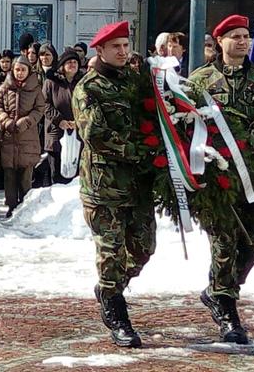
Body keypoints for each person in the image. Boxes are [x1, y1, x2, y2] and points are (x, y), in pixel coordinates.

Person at [187, 15, 254, 345]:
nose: (243, 42)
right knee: (224, 240)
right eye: (235, 37)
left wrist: (244, 143)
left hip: (253, 173)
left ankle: (218, 289)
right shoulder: (200, 80)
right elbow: (188, 122)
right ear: (220, 41)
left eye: (245, 36)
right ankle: (226, 307)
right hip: (218, 176)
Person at [72, 20, 154, 349]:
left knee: (144, 248)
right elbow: (95, 134)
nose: (122, 51)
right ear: (101, 50)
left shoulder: (135, 82)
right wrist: (139, 151)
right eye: (115, 47)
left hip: (139, 184)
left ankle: (109, 286)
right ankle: (116, 311)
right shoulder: (89, 88)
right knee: (111, 251)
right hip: (104, 185)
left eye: (125, 45)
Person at [0, 55, 45, 217]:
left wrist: (27, 121)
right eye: (17, 70)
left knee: (25, 175)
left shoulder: (36, 88)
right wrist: (5, 121)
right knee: (9, 175)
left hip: (27, 138)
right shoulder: (5, 87)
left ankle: (25, 206)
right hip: (9, 137)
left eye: (23, 70)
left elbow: (40, 109)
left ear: (29, 71)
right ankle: (11, 205)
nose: (20, 73)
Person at [43, 48, 84, 184]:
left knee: (76, 177)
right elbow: (44, 104)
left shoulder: (83, 83)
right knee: (57, 174)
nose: (72, 65)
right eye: (69, 62)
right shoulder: (51, 82)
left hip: (77, 133)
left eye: (75, 62)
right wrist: (59, 120)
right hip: (56, 133)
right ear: (62, 66)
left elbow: (88, 105)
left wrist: (78, 121)